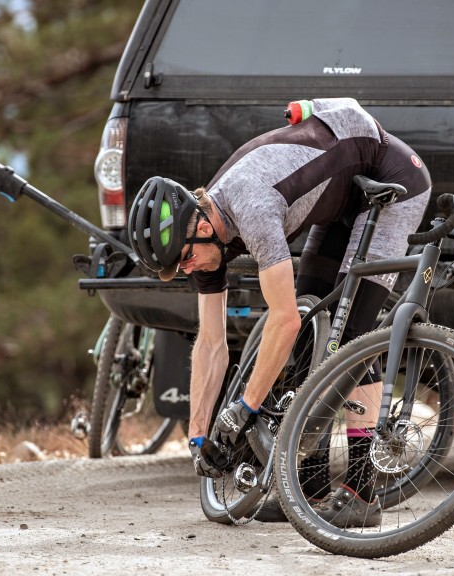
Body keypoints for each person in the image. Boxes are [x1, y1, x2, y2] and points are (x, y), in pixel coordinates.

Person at [127, 98, 430, 527]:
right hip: (340, 199)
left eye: (184, 260)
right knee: (310, 338)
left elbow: (282, 319)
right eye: (179, 268)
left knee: (350, 342)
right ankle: (311, 482)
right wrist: (198, 436)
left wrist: (246, 407)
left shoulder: (250, 208)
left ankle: (363, 491)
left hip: (392, 179)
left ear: (199, 227)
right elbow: (211, 344)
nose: (186, 270)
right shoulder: (204, 237)